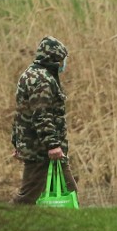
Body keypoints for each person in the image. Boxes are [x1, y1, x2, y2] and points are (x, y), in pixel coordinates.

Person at [11, 36, 78, 205]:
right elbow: (42, 114)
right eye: (62, 59)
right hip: (40, 150)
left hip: (37, 147)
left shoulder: (31, 74)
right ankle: (4, 224)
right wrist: (52, 145)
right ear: (54, 58)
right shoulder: (42, 79)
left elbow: (20, 114)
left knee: (69, 190)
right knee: (27, 198)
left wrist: (17, 143)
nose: (64, 63)